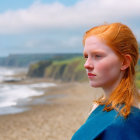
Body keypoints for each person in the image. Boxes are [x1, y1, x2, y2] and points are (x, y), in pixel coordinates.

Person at [71, 22, 140, 140]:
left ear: (124, 62)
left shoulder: (123, 123)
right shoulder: (100, 107)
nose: (86, 65)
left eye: (97, 56)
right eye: (86, 56)